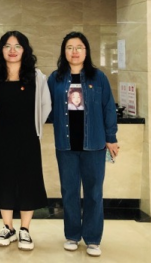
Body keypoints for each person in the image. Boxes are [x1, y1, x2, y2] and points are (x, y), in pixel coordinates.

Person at [47, 32, 119, 258]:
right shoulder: (55, 78)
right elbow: (45, 107)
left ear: (86, 51)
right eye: (69, 47)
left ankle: (93, 239)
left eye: (79, 47)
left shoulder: (98, 77)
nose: (74, 51)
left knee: (94, 193)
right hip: (66, 145)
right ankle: (72, 235)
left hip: (94, 145)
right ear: (64, 52)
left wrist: (111, 137)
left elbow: (108, 107)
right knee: (69, 192)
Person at [0, 31, 51, 251]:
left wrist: (35, 128)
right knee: (3, 179)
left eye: (17, 46)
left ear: (25, 50)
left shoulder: (36, 76)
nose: (12, 50)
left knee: (28, 179)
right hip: (0, 135)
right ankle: (8, 227)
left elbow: (45, 105)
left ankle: (25, 229)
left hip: (28, 135)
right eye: (7, 46)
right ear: (1, 50)